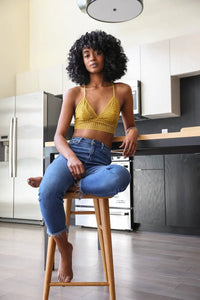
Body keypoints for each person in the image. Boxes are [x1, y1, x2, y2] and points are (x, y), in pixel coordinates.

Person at [28, 30, 138, 283]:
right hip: (72, 153)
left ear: (107, 54)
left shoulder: (121, 90)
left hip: (100, 160)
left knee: (120, 176)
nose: (92, 58)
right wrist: (71, 158)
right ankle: (65, 248)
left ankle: (60, 181)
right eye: (86, 54)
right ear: (80, 60)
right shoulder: (74, 93)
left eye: (97, 52)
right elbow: (58, 136)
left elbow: (130, 124)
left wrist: (132, 131)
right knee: (46, 194)